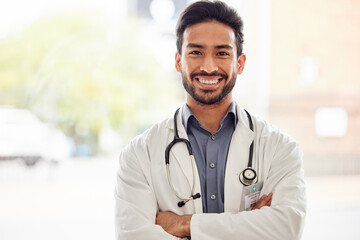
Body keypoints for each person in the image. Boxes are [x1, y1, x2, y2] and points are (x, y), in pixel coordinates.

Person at [114, 1, 306, 239]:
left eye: (222, 53)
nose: (208, 66)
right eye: (196, 52)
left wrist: (184, 225)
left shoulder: (281, 149)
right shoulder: (139, 155)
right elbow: (134, 236)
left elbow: (285, 229)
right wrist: (249, 225)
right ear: (177, 61)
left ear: (240, 63)